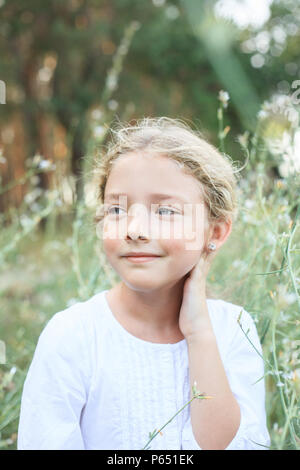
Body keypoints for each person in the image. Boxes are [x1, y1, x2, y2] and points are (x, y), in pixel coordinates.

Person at [17, 117, 271, 450]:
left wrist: (199, 333)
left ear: (216, 232)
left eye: (165, 211)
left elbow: (224, 445)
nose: (134, 229)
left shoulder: (234, 330)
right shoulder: (72, 336)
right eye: (117, 209)